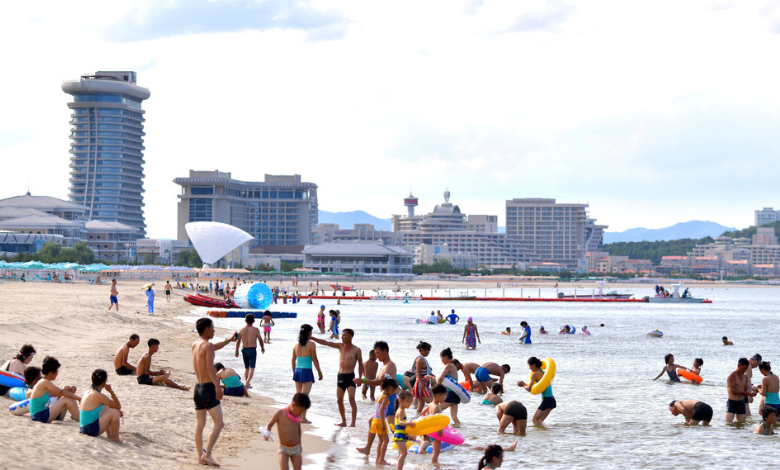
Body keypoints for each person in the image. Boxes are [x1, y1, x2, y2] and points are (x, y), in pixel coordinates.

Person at [192, 317, 239, 467]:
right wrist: (217, 387)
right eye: (213, 328)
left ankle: (200, 457)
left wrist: (229, 340)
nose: (214, 330)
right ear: (206, 329)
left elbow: (213, 347)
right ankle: (207, 454)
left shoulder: (195, 344)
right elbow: (209, 368)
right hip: (208, 388)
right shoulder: (208, 345)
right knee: (219, 423)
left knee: (200, 425)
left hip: (198, 388)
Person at [310, 328, 364, 427]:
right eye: (342, 335)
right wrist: (312, 338)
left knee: (351, 399)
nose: (342, 337)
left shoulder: (356, 350)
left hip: (350, 377)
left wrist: (360, 378)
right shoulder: (340, 346)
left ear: (350, 337)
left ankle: (353, 423)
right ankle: (343, 421)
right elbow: (326, 343)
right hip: (340, 376)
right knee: (339, 400)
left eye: (344, 335)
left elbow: (361, 364)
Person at [354, 341, 398, 458]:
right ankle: (368, 448)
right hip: (384, 399)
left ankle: (407, 445)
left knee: (392, 428)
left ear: (385, 351)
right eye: (375, 353)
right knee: (389, 427)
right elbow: (376, 380)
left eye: (378, 353)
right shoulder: (383, 366)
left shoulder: (390, 365)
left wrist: (363, 380)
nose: (376, 356)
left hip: (389, 400)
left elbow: (380, 382)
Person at [263, 392, 312, 470]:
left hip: (296, 447)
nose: (301, 413)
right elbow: (269, 425)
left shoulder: (298, 415)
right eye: (301, 411)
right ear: (293, 405)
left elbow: (298, 430)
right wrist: (267, 433)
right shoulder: (280, 413)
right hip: (283, 448)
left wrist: (300, 444)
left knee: (298, 468)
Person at [26, 357, 81, 423]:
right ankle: (81, 418)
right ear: (51, 373)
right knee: (67, 398)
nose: (57, 373)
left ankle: (76, 415)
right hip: (39, 416)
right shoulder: (44, 382)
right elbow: (61, 392)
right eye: (56, 371)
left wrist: (70, 390)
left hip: (41, 414)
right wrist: (79, 399)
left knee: (68, 396)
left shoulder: (44, 382)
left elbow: (59, 393)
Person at [79, 369, 123, 442]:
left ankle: (110, 435)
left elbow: (110, 405)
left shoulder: (88, 391)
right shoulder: (98, 395)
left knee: (107, 407)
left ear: (92, 380)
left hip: (84, 428)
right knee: (115, 412)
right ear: (105, 381)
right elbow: (118, 405)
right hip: (90, 430)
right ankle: (116, 439)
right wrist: (111, 391)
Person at [292, 324, 323, 424]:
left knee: (298, 395)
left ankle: (296, 416)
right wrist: (319, 372)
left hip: (297, 370)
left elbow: (293, 360)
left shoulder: (296, 345)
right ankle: (303, 418)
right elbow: (314, 359)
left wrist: (294, 372)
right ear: (309, 333)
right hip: (306, 371)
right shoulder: (311, 344)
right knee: (304, 397)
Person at [517, 357, 555, 425]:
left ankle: (543, 431)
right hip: (552, 400)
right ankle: (545, 431)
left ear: (534, 365)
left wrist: (523, 384)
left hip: (546, 400)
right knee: (540, 421)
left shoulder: (535, 374)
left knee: (534, 420)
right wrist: (525, 384)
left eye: (530, 366)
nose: (529, 368)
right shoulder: (543, 373)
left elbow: (529, 389)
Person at [369, 377, 398, 466]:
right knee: (386, 440)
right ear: (389, 388)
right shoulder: (385, 398)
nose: (394, 393)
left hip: (375, 420)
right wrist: (382, 423)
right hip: (380, 421)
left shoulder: (379, 395)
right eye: (394, 390)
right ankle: (381, 459)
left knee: (381, 440)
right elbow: (381, 410)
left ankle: (378, 459)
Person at [236, 313, 265, 390]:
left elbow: (238, 341)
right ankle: (247, 382)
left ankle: (247, 383)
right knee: (251, 368)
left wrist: (236, 351)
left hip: (244, 350)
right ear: (254, 321)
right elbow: (260, 339)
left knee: (246, 368)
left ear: (245, 320)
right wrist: (262, 347)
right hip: (252, 350)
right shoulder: (256, 330)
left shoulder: (241, 330)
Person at [404, 341, 435, 413]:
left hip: (420, 384)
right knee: (432, 402)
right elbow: (418, 372)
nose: (428, 352)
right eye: (428, 350)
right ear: (422, 349)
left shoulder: (422, 359)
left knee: (420, 405)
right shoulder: (420, 359)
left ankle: (417, 418)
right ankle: (432, 416)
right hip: (421, 384)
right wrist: (421, 383)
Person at [726, 358, 757, 423]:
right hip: (732, 402)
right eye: (743, 368)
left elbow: (747, 388)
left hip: (741, 403)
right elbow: (733, 391)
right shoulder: (732, 376)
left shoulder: (745, 377)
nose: (744, 370)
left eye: (746, 369)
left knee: (742, 424)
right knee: (728, 423)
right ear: (738, 365)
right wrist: (746, 393)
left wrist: (752, 392)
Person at [437, 347, 462, 424]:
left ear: (445, 357)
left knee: (436, 410)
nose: (441, 361)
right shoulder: (453, 365)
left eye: (441, 358)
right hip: (455, 394)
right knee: (454, 417)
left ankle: (438, 427)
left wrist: (437, 387)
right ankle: (459, 430)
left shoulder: (449, 365)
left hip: (451, 394)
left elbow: (441, 378)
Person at [392, 390, 416, 470]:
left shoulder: (401, 410)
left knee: (401, 454)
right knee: (404, 454)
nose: (410, 404)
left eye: (411, 402)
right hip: (399, 435)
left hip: (401, 434)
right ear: (401, 401)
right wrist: (409, 423)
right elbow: (400, 422)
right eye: (408, 401)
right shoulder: (401, 411)